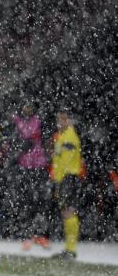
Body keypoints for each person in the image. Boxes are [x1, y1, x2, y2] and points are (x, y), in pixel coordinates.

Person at [12, 103, 51, 250]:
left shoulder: (38, 120)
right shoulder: (17, 121)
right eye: (24, 106)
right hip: (24, 166)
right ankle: (26, 236)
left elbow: (38, 138)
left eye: (29, 106)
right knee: (25, 202)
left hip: (38, 166)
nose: (26, 109)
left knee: (41, 201)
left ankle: (41, 235)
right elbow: (16, 140)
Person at [50, 109, 83, 260]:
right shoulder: (62, 135)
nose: (60, 122)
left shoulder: (69, 136)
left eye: (64, 119)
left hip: (68, 177)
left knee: (69, 211)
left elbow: (67, 161)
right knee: (66, 212)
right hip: (64, 178)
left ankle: (71, 249)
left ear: (69, 120)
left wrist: (60, 180)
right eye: (59, 119)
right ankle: (69, 249)